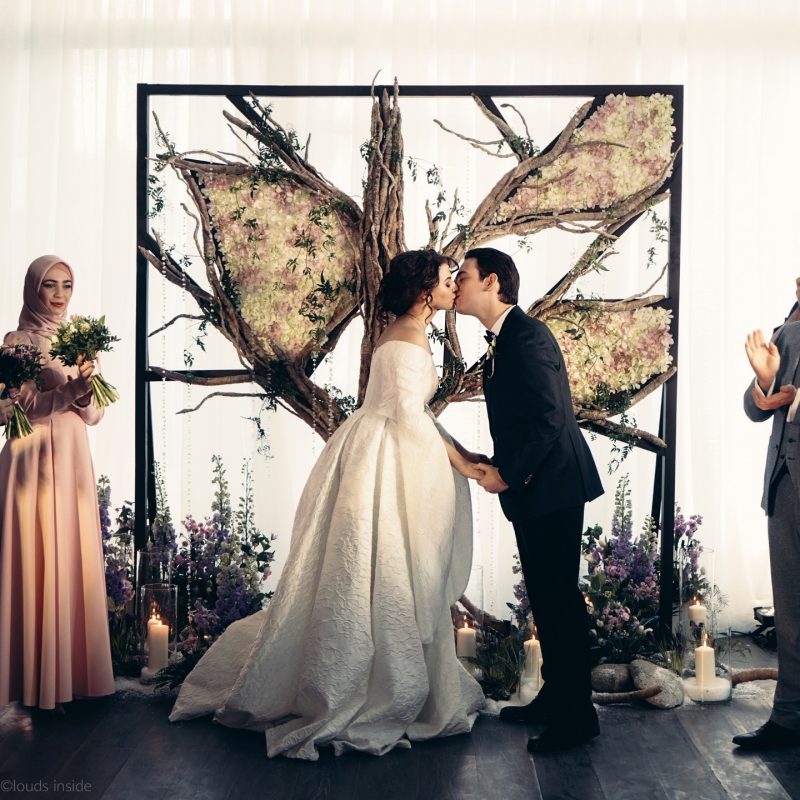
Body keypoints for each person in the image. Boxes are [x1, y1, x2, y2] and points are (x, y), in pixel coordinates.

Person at [170, 250, 486, 760]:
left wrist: (462, 456)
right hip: (388, 456)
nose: (454, 287)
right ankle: (371, 686)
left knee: (375, 570)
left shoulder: (406, 331)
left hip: (375, 447)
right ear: (426, 290)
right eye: (448, 280)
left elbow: (415, 415)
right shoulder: (409, 338)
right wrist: (464, 465)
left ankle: (365, 670)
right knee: (385, 567)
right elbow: (411, 418)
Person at [454, 247, 604, 752]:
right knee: (546, 597)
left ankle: (578, 717)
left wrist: (508, 474)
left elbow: (549, 419)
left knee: (559, 601)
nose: (456, 283)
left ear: (491, 282)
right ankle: (557, 697)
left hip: (553, 485)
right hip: (539, 485)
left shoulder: (528, 336)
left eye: (464, 275)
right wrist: (498, 464)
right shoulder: (507, 338)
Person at [0, 255, 115, 712]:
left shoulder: (76, 338)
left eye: (67, 285)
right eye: (50, 285)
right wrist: (71, 391)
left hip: (70, 457)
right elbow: (26, 407)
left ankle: (67, 679)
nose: (60, 294)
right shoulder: (17, 341)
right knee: (34, 555)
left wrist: (86, 390)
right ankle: (29, 683)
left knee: (68, 552)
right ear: (34, 289)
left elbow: (95, 415)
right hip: (30, 457)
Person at [739, 302, 800, 749]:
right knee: (791, 613)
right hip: (784, 484)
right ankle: (789, 717)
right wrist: (764, 381)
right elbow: (754, 408)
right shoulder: (790, 322)